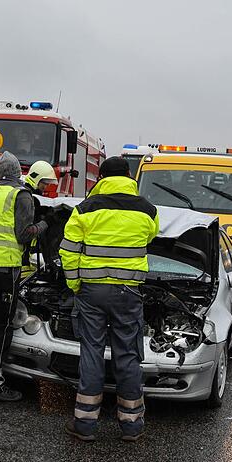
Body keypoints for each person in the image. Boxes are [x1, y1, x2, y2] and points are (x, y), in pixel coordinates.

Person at [59, 156, 158, 442]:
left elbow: (68, 251)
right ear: (129, 176)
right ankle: (131, 425)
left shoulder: (84, 209)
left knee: (91, 350)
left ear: (100, 178)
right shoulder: (148, 210)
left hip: (91, 291)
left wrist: (75, 284)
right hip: (128, 293)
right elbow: (151, 237)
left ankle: (85, 424)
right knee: (127, 353)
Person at [0, 154, 54, 402]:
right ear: (17, 172)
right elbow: (24, 235)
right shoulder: (20, 195)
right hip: (5, 268)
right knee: (0, 326)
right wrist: (45, 223)